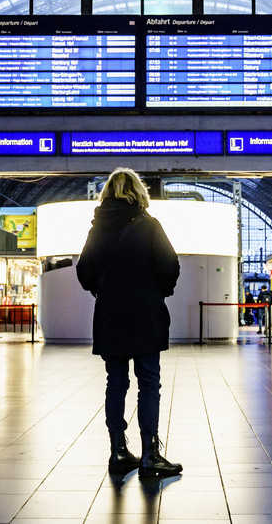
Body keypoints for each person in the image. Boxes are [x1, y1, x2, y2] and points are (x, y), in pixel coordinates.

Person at [76, 167, 182, 479]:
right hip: (145, 312)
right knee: (148, 380)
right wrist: (159, 291)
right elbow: (169, 265)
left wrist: (104, 288)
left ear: (107, 193)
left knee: (116, 381)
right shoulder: (149, 225)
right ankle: (150, 454)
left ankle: (118, 450)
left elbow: (84, 273)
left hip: (110, 313)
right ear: (139, 193)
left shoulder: (97, 229)